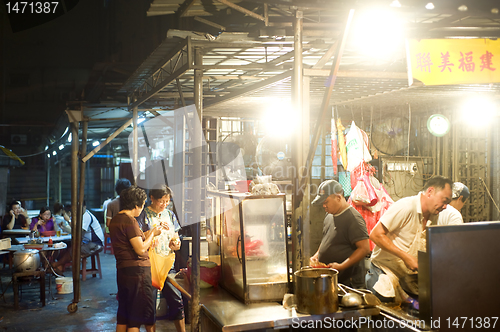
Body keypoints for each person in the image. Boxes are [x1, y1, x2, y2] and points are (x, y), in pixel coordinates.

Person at [366, 175, 453, 304]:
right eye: (444, 200)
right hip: (383, 272)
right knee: (386, 309)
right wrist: (406, 257)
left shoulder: (434, 216)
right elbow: (375, 235)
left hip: (406, 277)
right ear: (430, 192)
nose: (445, 206)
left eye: (447, 203)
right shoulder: (406, 206)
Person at [109, 186, 163, 332]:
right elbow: (140, 248)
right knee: (135, 318)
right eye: (143, 204)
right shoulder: (130, 221)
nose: (142, 208)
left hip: (123, 271)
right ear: (136, 205)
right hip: (137, 272)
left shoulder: (115, 220)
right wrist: (152, 236)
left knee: (124, 315)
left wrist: (151, 232)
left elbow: (131, 240)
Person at [309, 180, 370, 289]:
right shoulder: (329, 216)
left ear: (338, 197)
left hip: (348, 284)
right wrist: (316, 255)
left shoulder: (353, 218)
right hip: (332, 280)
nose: (324, 206)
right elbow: (326, 240)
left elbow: (364, 249)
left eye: (326, 201)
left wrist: (341, 266)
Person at [141, 185, 184, 332]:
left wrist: (176, 243)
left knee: (176, 299)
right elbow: (138, 238)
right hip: (150, 265)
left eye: (167, 201)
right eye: (161, 201)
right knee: (150, 304)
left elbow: (175, 236)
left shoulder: (170, 215)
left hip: (167, 263)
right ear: (152, 198)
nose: (164, 204)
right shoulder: (143, 214)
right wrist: (154, 232)